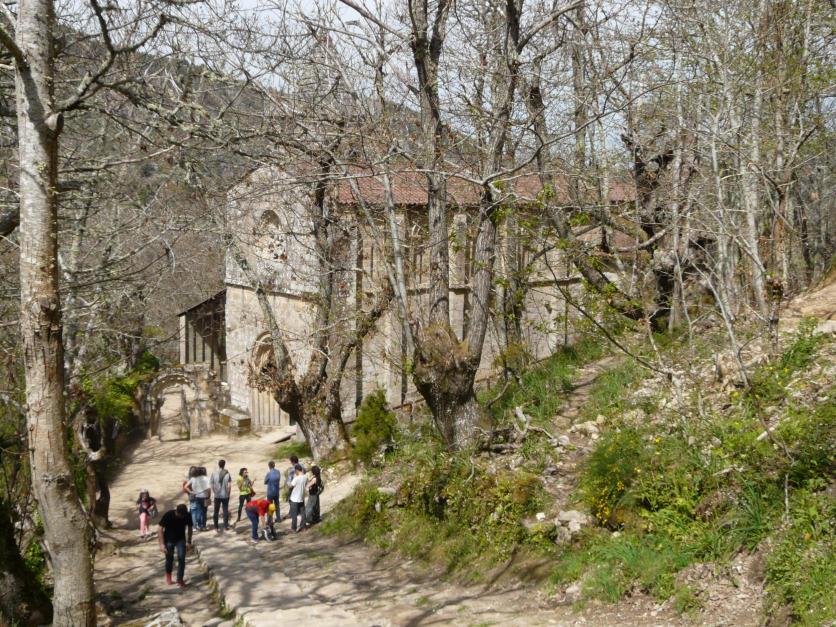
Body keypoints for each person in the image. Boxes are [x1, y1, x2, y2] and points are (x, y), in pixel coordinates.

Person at [158, 503, 193, 587]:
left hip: (181, 539)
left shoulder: (187, 515)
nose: (181, 517)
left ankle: (180, 579)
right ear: (177, 512)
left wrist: (189, 541)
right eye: (180, 516)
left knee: (182, 559)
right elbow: (160, 529)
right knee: (169, 559)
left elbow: (190, 528)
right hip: (169, 540)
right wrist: (162, 544)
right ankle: (168, 576)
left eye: (183, 516)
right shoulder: (169, 515)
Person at [185, 467, 211, 531]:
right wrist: (209, 496)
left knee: (199, 512)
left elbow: (185, 486)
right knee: (204, 512)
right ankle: (203, 526)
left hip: (197, 497)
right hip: (205, 496)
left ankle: (199, 526)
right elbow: (209, 489)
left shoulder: (194, 479)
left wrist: (191, 492)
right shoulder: (206, 478)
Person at [210, 459, 232, 531]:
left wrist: (214, 491)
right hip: (225, 495)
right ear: (224, 465)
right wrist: (228, 494)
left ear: (218, 464)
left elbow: (212, 484)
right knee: (225, 510)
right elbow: (229, 485)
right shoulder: (227, 473)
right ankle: (226, 526)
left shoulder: (214, 473)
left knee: (216, 511)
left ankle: (216, 527)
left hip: (217, 495)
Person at [289, 463, 308, 532]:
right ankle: (303, 527)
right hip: (301, 498)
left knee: (294, 515)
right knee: (303, 513)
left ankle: (293, 528)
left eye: (295, 471)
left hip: (294, 498)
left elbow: (291, 486)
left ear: (297, 470)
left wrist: (293, 478)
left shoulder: (296, 478)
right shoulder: (305, 477)